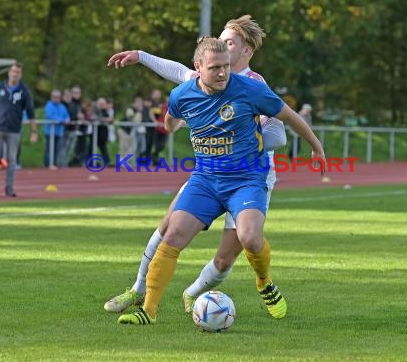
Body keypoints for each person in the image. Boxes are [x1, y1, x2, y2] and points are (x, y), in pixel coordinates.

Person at [116, 37, 325, 325]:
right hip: (206, 180)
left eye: (226, 66)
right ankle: (148, 309)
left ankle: (264, 282)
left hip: (246, 179)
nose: (223, 73)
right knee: (173, 234)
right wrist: (172, 125)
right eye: (215, 67)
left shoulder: (250, 89)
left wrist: (316, 147)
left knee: (250, 238)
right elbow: (171, 118)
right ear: (198, 67)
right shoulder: (182, 94)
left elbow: (287, 116)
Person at [0, 62, 38, 197]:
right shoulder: (0, 88)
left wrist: (33, 131)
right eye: (13, 71)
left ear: (21, 75)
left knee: (11, 159)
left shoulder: (24, 91)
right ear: (9, 72)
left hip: (14, 130)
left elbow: (31, 112)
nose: (15, 74)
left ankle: (9, 188)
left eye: (18, 72)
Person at [43, 90, 70, 169]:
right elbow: (50, 116)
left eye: (58, 97)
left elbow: (67, 116)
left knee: (57, 149)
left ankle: (54, 163)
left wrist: (67, 119)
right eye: (55, 97)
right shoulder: (49, 106)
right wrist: (62, 120)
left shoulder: (62, 107)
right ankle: (48, 164)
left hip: (59, 132)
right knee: (49, 148)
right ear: (51, 97)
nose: (56, 99)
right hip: (50, 132)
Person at [117, 98, 140, 165]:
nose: (139, 105)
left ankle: (123, 160)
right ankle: (121, 161)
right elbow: (130, 117)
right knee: (124, 147)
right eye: (138, 103)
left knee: (132, 147)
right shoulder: (130, 109)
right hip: (124, 130)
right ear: (135, 103)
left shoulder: (137, 111)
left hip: (130, 132)